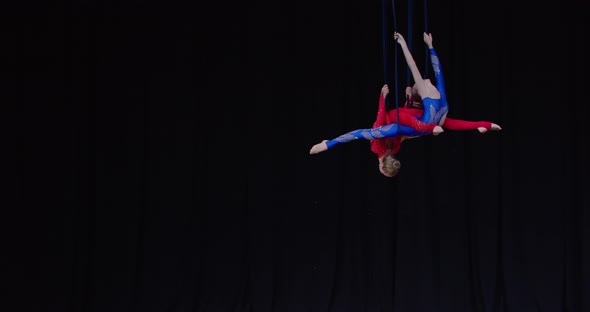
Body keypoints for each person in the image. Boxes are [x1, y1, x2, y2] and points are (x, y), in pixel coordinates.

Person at [309, 32, 501, 177]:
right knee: (367, 133)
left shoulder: (438, 102)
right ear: (382, 165)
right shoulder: (381, 147)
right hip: (404, 125)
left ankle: (483, 126)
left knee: (426, 126)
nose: (423, 82)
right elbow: (415, 69)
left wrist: (430, 47)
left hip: (412, 124)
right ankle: (328, 144)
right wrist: (404, 44)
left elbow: (436, 75)